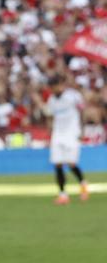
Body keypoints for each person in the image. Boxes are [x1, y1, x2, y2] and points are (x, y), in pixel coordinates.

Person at [45, 73, 89, 204]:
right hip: (58, 134)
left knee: (71, 163)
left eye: (56, 86)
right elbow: (50, 116)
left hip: (72, 133)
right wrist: (50, 132)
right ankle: (63, 194)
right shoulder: (51, 100)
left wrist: (82, 130)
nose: (54, 89)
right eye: (52, 87)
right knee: (57, 164)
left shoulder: (73, 96)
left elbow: (82, 112)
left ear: (61, 85)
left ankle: (83, 183)